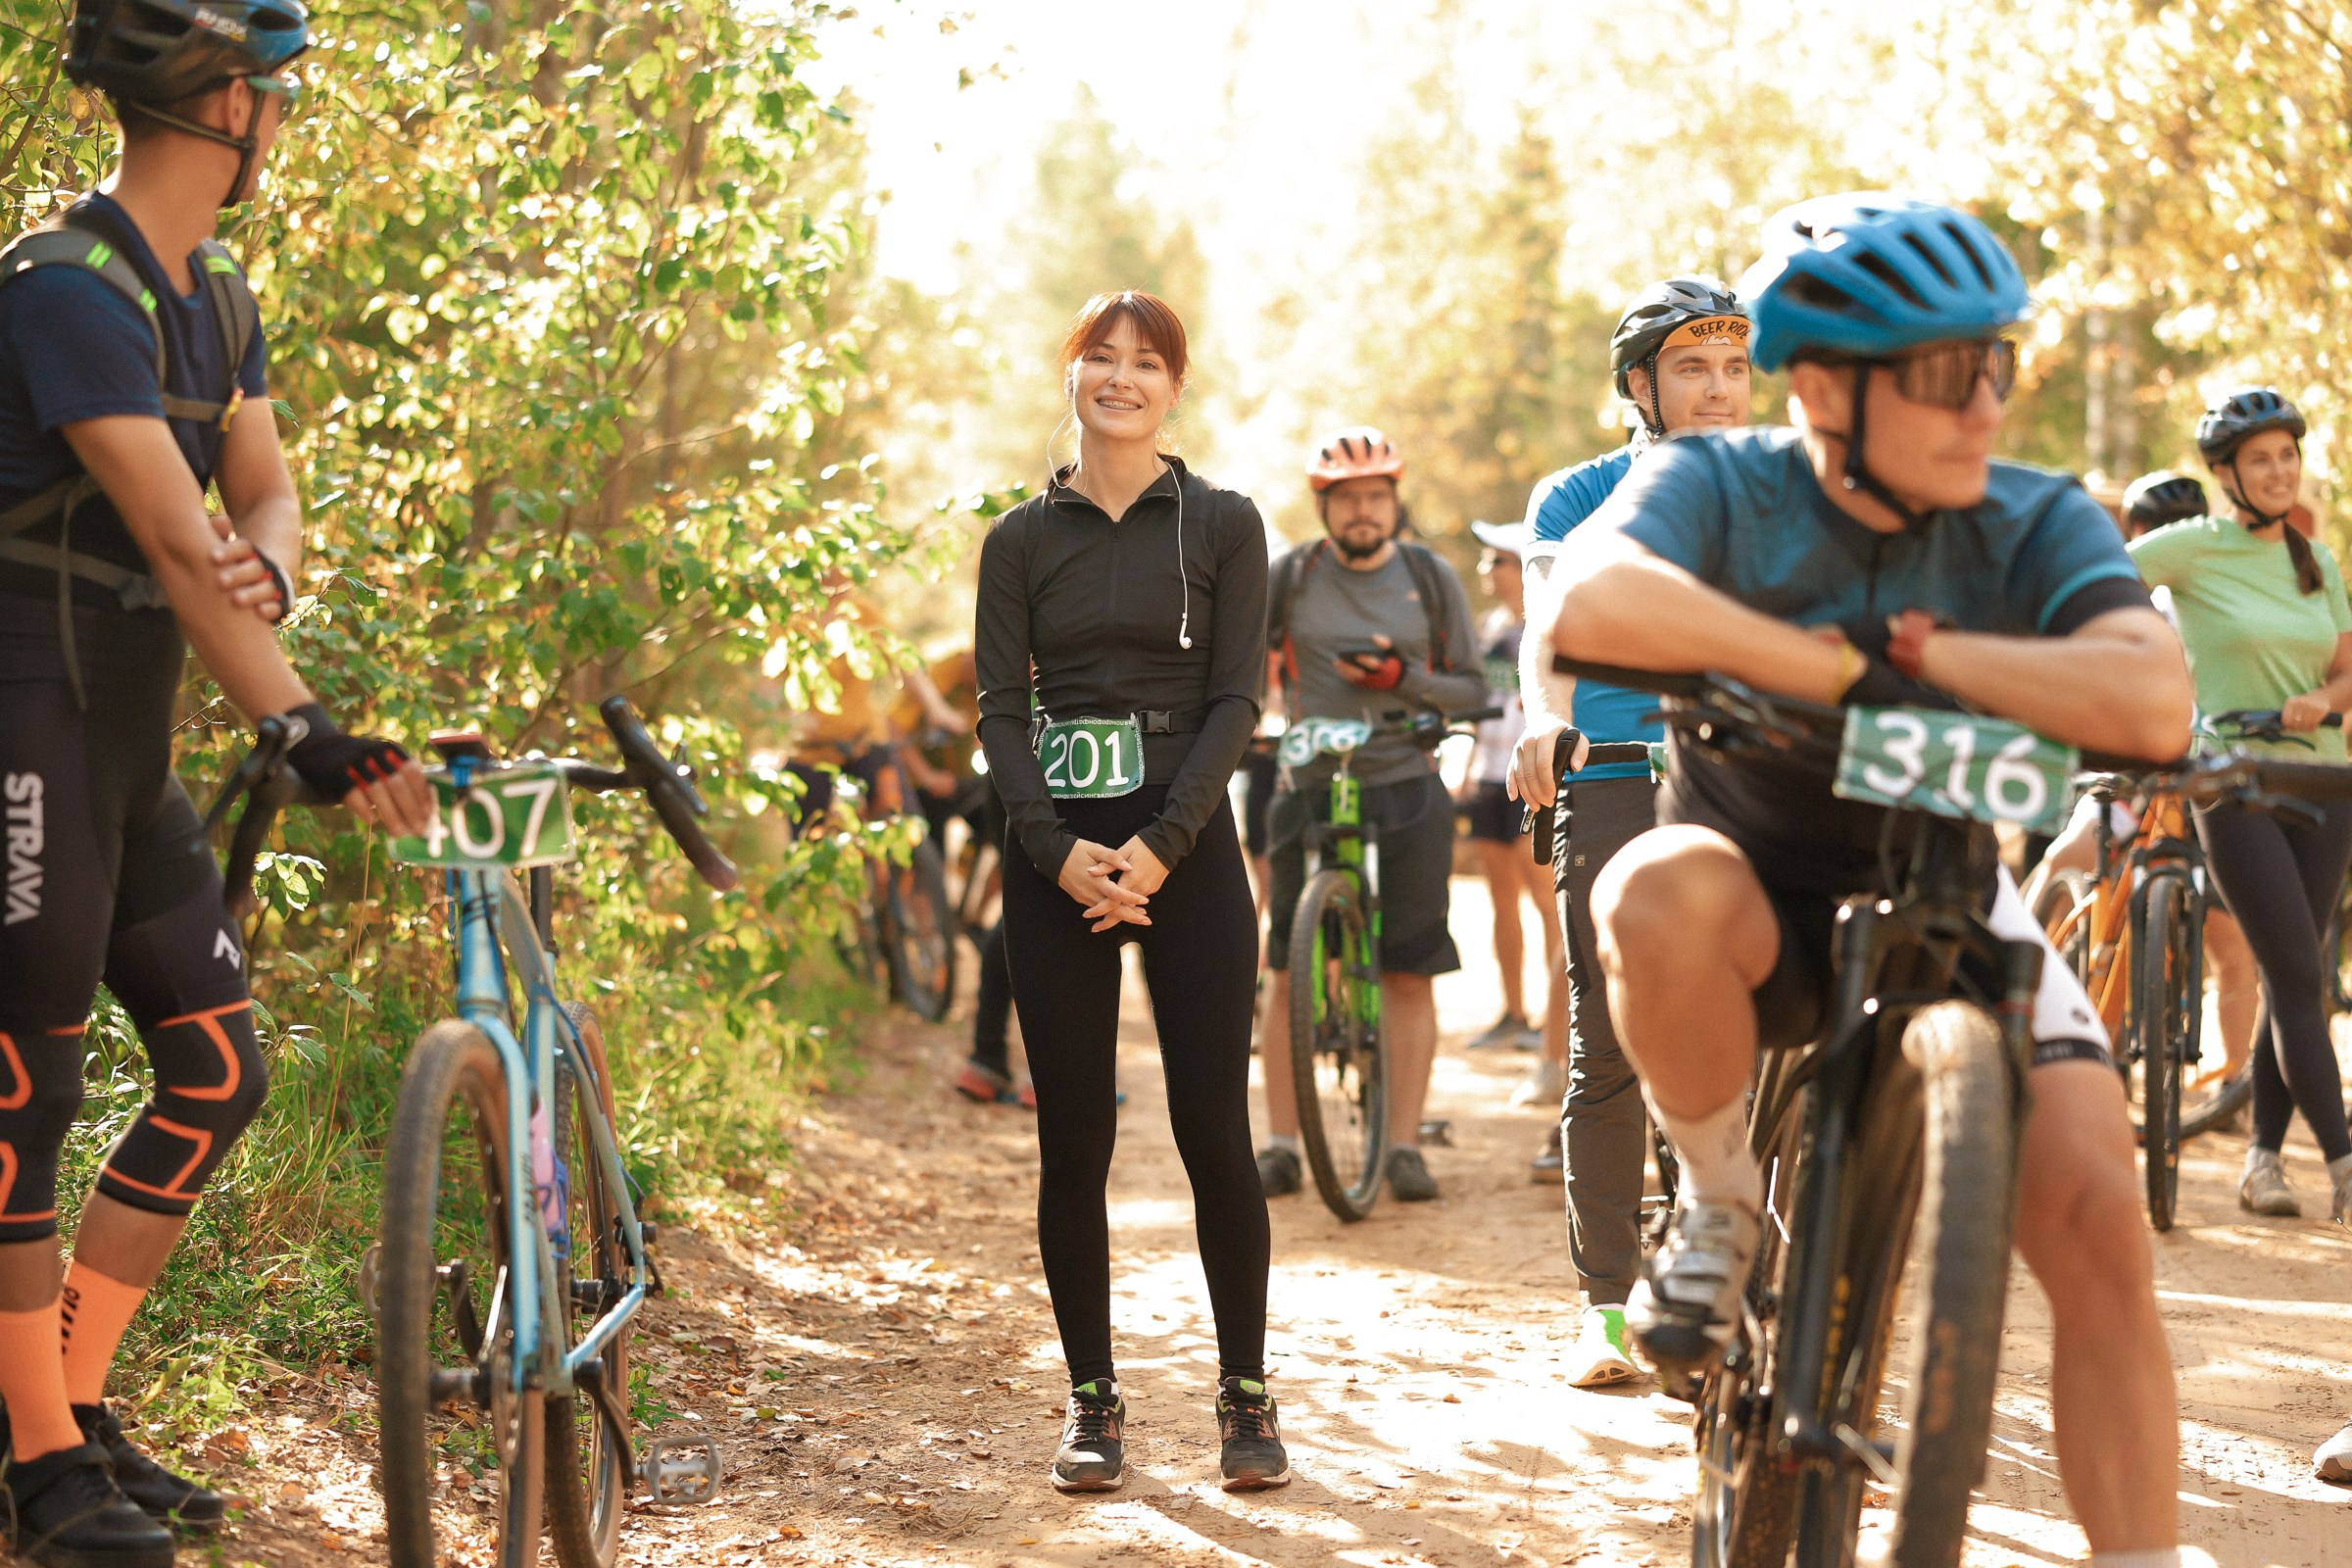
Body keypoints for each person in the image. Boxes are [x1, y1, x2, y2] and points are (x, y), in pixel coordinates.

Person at [1544, 194, 2192, 1566]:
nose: (1985, 405)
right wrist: (1840, 670)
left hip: (1950, 888)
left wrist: (1939, 658)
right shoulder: (1725, 485)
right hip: (1750, 889)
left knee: (2101, 1218)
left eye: (1995, 364)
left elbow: (2150, 700)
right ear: (1826, 391)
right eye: (1945, 373)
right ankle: (1720, 1199)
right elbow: (1588, 607)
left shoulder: (2030, 514)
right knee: (1648, 885)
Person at [0, 4, 433, 1563]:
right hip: (25, 728)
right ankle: (39, 1466)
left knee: (214, 1066)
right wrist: (306, 728)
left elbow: (258, 500)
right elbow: (181, 547)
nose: (280, 120)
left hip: (128, 743)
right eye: (273, 94)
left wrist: (279, 566)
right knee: (24, 1094)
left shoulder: (216, 292)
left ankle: (72, 1406)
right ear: (226, 104)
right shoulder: (66, 287)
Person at [973, 290, 1286, 1495]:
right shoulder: (1019, 539)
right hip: (1053, 851)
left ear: (1174, 386)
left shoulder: (1224, 522)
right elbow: (1002, 708)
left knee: (1214, 1130)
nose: (1120, 377)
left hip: (1185, 843)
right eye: (1099, 358)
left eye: (1145, 362)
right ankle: (1093, 1398)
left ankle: (1245, 1394)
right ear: (1071, 376)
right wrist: (1054, 848)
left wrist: (1162, 843)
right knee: (1075, 1141)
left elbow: (1237, 698)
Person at [1511, 277, 1752, 1386]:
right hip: (1614, 775)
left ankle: (1750, 1279)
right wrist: (1542, 718)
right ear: (1640, 387)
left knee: (1765, 1028)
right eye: (1693, 368)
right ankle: (1606, 1308)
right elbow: (1548, 628)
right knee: (1607, 1042)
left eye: (1734, 368)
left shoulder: (1784, 489)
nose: (1719, 388)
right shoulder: (1578, 493)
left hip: (1744, 780)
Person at [2130, 387, 2352, 1222]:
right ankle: (2345, 1163)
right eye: (2261, 459)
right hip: (2232, 779)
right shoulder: (2192, 547)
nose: (2279, 471)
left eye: (2287, 455)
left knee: (2294, 970)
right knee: (2296, 972)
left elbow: (2348, 670)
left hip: (2326, 782)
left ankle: (2262, 1162)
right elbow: (2093, 582)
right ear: (2226, 473)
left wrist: (2324, 701)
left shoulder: (2314, 558)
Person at [1252, 427, 1486, 1203]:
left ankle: (1403, 1146)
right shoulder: (1291, 576)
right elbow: (1246, 671)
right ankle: (1283, 1144)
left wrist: (1402, 679)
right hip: (1308, 782)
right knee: (1287, 966)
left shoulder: (1428, 576)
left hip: (1406, 781)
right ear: (1324, 506)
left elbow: (1473, 688)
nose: (1363, 510)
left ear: (1395, 503)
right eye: (1348, 498)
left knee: (1408, 969)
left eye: (1377, 497)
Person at [2023, 467, 2262, 1104]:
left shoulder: (2200, 599)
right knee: (2067, 862)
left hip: (2201, 782)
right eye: (2159, 528)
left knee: (2231, 941)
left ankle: (2233, 1084)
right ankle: (2011, 985)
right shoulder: (2133, 597)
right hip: (2139, 779)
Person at [1457, 519, 1561, 1077]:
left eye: (1496, 559)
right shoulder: (1490, 628)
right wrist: (1465, 770)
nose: (1485, 570)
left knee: (1546, 903)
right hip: (1488, 780)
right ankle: (1514, 1013)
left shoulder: (1550, 623)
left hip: (1533, 780)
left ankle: (1554, 1022)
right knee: (1501, 902)